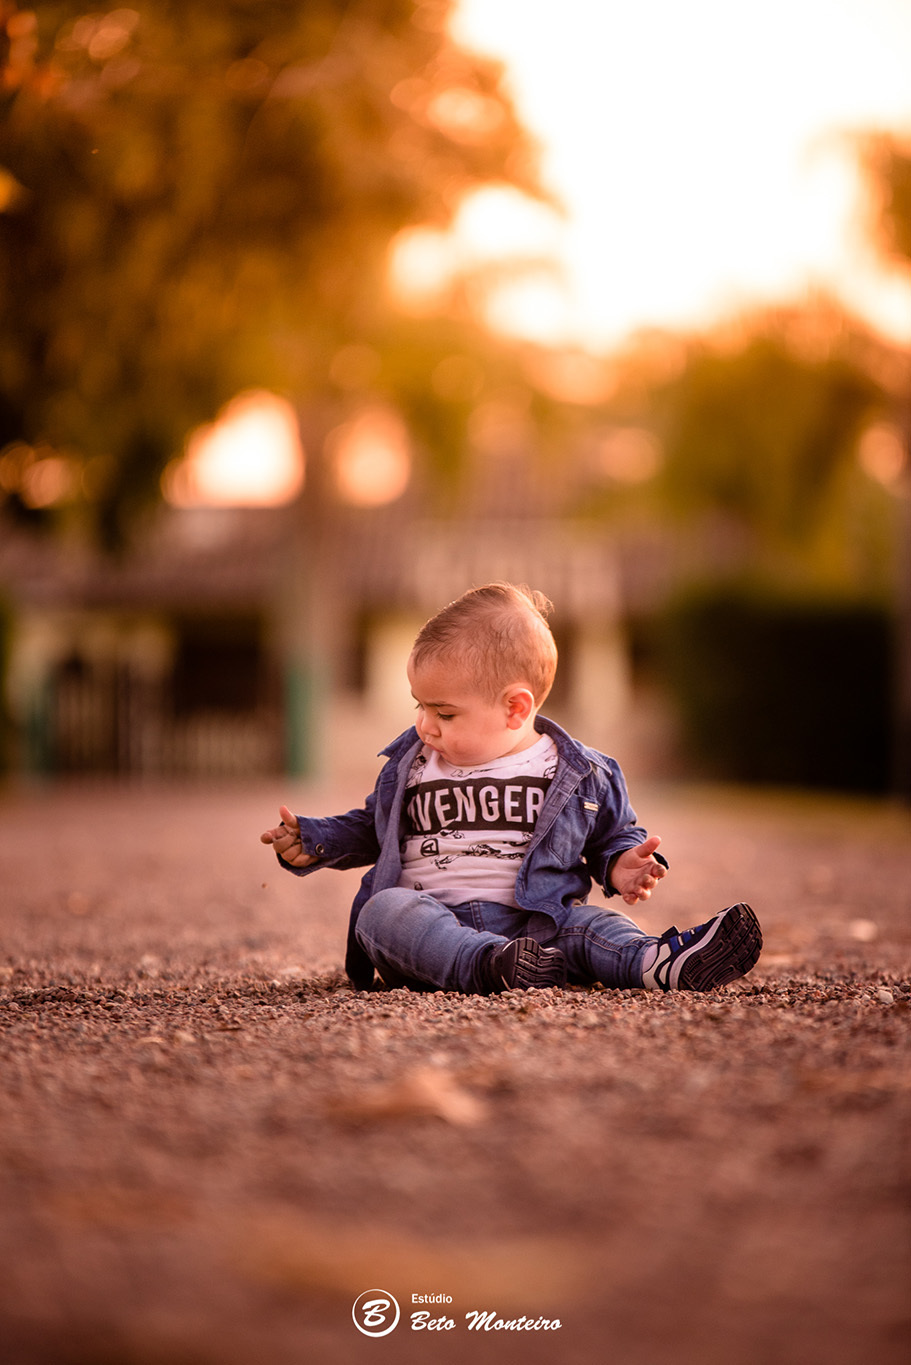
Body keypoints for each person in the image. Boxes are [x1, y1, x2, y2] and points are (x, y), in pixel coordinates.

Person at [261, 583, 761, 996]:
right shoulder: (412, 766)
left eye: (444, 713)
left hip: (537, 928)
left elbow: (613, 837)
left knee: (589, 927)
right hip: (434, 927)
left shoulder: (578, 772)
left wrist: (622, 863)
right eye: (420, 706)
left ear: (516, 709)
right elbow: (372, 827)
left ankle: (656, 963)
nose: (424, 726)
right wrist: (314, 839)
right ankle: (485, 965)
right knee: (383, 913)